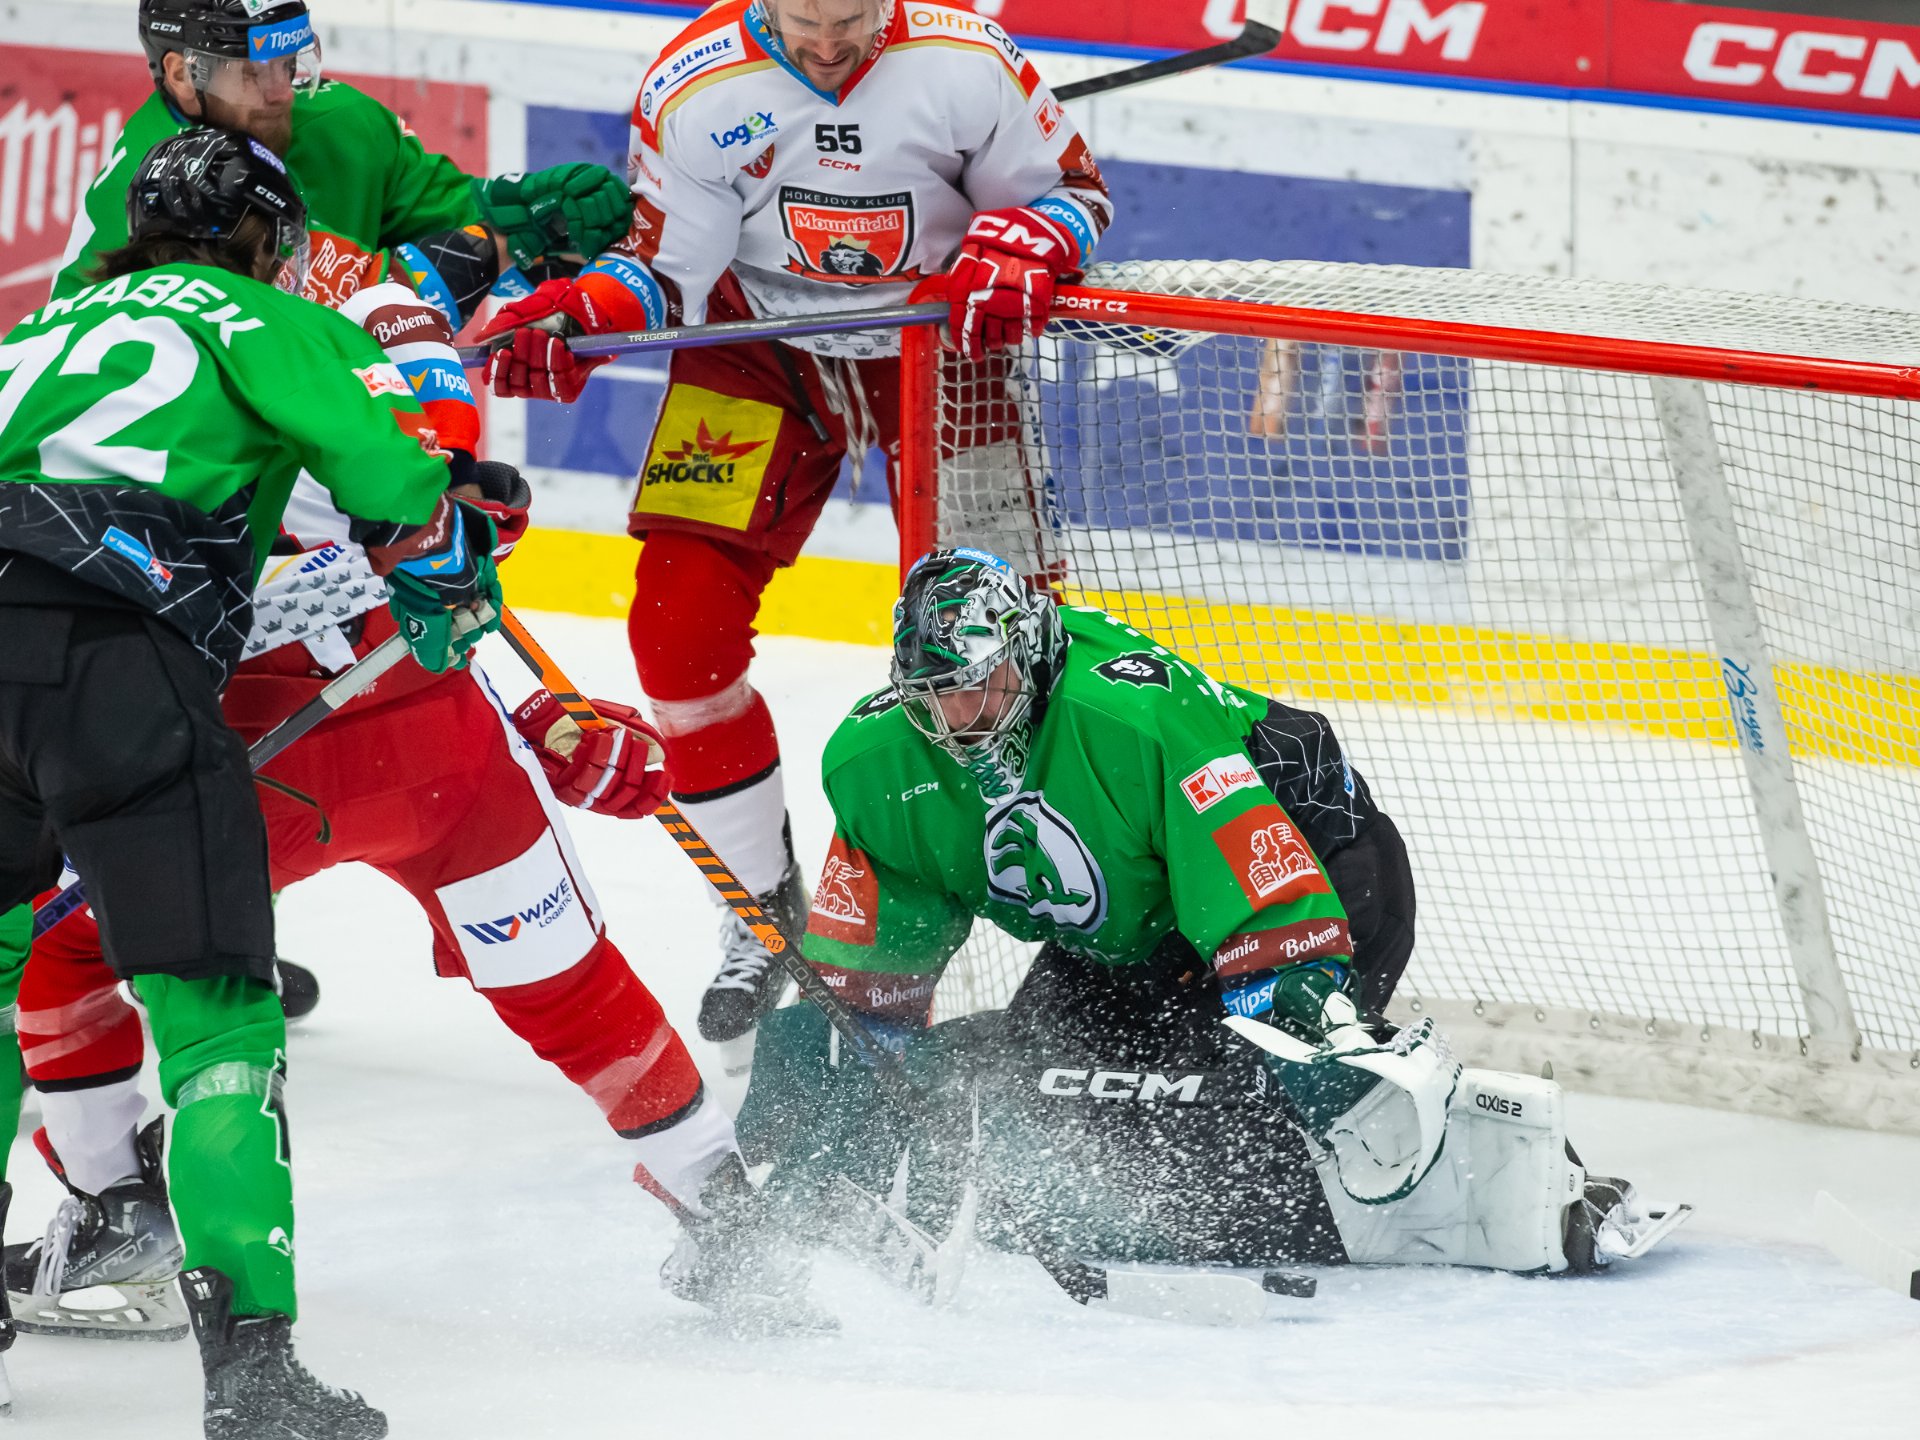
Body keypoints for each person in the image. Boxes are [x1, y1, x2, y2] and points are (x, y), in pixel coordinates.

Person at [4, 0, 811, 1343]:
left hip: (239, 734)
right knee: (562, 972)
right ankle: (722, 1204)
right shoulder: (359, 300)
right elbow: (443, 514)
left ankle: (117, 1202)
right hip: (430, 733)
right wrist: (535, 699)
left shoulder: (82, 314)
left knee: (54, 956)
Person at [735, 548, 1685, 1281]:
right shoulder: (878, 765)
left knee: (1258, 1084)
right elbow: (869, 989)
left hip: (1310, 866)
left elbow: (1262, 901)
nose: (961, 720)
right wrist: (828, 1103)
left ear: (1030, 653)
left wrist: (1302, 1036)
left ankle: (1548, 1188)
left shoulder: (1133, 717)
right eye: (934, 697)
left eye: (980, 686)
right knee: (1046, 1098)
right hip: (1133, 929)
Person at [477, 0, 1114, 1063]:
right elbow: (662, 270)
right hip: (755, 352)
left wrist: (1034, 236)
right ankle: (759, 905)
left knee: (1007, 647)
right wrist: (584, 312)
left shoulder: (966, 59)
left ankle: (1078, 897)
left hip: (940, 351)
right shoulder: (696, 82)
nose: (826, 44)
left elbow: (1078, 197)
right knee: (677, 633)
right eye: (805, 18)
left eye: (850, 17)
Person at [0, 126, 502, 1439]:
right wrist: (448, 553)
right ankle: (255, 1376)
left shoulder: (36, 330)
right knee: (219, 1022)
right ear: (269, 240)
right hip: (119, 662)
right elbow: (389, 476)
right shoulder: (272, 319)